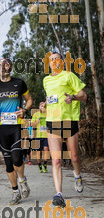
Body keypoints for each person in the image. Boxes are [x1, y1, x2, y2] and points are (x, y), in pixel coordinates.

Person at [41, 52, 87, 208]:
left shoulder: (69, 75)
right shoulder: (46, 80)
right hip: (52, 121)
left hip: (68, 120)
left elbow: (84, 95)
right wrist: (43, 105)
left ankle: (78, 175)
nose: (54, 61)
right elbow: (50, 98)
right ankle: (58, 194)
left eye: (56, 58)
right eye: (51, 59)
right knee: (56, 160)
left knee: (74, 157)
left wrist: (73, 97)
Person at [0, 59, 33, 205]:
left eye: (6, 64)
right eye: (0, 65)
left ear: (10, 67)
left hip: (17, 126)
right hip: (2, 127)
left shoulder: (19, 83)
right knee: (8, 163)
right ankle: (16, 192)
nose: (3, 66)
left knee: (16, 158)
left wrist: (24, 110)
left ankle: (22, 180)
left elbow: (29, 100)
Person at [31, 103, 49, 173]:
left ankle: (45, 164)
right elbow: (32, 125)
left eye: (43, 105)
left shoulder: (48, 113)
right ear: (38, 107)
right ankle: (39, 165)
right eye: (40, 105)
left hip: (46, 135)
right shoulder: (36, 114)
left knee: (46, 150)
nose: (42, 106)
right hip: (38, 136)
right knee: (39, 152)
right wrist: (37, 122)